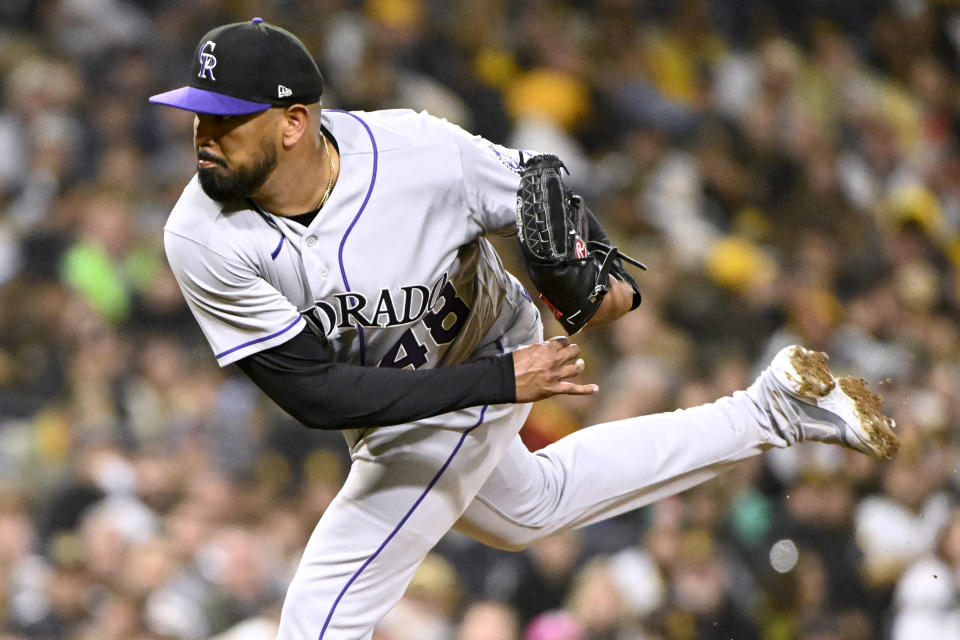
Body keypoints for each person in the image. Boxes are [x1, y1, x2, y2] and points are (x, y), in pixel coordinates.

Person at [149, 18, 899, 640]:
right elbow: (314, 394)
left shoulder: (416, 152)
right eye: (197, 113)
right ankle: (772, 410)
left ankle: (772, 411)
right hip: (435, 385)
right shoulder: (202, 236)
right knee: (529, 509)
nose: (201, 134)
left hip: (486, 347)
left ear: (294, 124)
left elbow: (537, 184)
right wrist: (505, 385)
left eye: (224, 118)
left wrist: (610, 291)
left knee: (318, 619)